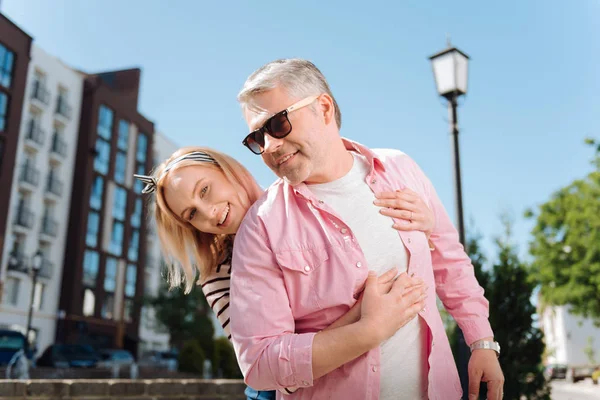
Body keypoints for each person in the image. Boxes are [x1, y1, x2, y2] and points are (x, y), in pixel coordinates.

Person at [229, 58, 505, 400]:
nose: (268, 146)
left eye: (277, 124)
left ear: (324, 108)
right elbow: (259, 364)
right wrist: (368, 331)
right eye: (257, 137)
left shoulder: (400, 169)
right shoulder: (261, 227)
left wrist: (482, 341)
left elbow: (449, 259)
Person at [134, 147, 434, 400]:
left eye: (205, 190)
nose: (208, 212)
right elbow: (279, 371)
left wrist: (426, 222)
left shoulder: (301, 202)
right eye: (192, 214)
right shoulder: (219, 277)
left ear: (228, 171)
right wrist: (366, 319)